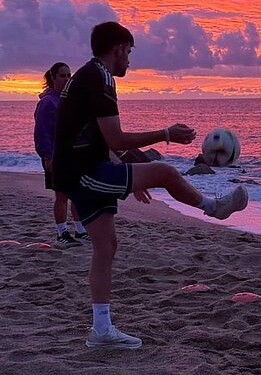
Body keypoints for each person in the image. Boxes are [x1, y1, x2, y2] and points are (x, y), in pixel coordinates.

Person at [52, 21, 248, 349]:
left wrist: (129, 175)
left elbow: (97, 137)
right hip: (84, 173)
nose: (130, 61)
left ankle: (101, 330)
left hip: (77, 171)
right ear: (118, 49)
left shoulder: (87, 75)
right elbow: (114, 138)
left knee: (106, 246)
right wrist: (165, 134)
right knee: (166, 173)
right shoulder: (100, 77)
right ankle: (214, 208)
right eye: (129, 52)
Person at [34, 62, 90, 249]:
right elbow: (42, 132)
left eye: (68, 75)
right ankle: (62, 233)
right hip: (56, 155)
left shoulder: (67, 99)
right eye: (62, 76)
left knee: (78, 193)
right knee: (62, 196)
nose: (66, 79)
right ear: (53, 78)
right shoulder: (47, 102)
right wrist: (47, 156)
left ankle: (80, 230)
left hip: (73, 155)